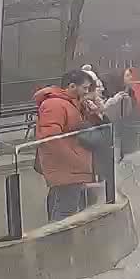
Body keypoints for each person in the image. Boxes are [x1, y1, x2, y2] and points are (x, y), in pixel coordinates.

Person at [33, 69, 98, 221]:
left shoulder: (72, 104)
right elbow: (50, 138)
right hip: (65, 167)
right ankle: (58, 243)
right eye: (85, 88)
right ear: (73, 86)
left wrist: (93, 111)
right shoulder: (55, 105)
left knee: (68, 207)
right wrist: (74, 159)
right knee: (64, 212)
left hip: (71, 167)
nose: (87, 91)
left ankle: (61, 241)